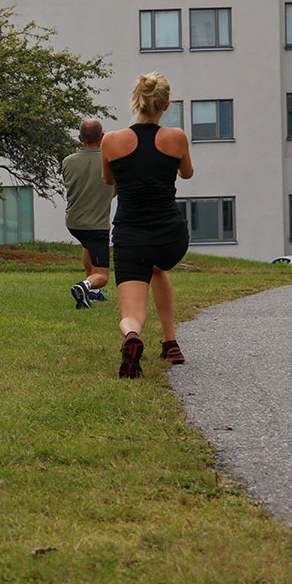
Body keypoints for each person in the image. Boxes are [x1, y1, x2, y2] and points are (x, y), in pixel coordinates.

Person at [101, 72, 194, 378]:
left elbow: (108, 180)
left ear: (135, 100)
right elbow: (187, 173)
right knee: (158, 268)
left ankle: (132, 337)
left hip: (131, 236)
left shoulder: (111, 141)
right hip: (170, 235)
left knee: (132, 315)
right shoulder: (177, 137)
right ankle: (170, 343)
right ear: (165, 105)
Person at [62, 119, 115, 309]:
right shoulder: (110, 160)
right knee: (102, 275)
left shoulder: (68, 161)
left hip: (74, 222)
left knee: (88, 246)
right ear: (102, 136)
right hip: (97, 225)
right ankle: (84, 286)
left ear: (80, 138)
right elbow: (114, 190)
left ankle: (92, 294)